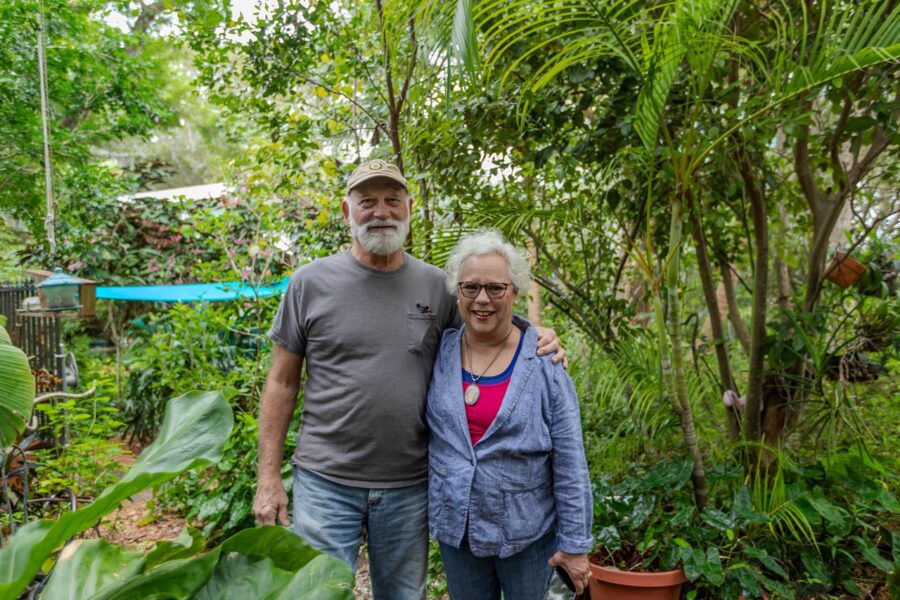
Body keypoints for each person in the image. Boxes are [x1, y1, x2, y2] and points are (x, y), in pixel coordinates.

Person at [252, 160, 564, 600]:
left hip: (409, 485)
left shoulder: (437, 286)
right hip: (324, 481)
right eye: (368, 202)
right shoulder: (309, 283)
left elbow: (489, 322)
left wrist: (539, 335)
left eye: (392, 201)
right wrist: (268, 478)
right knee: (315, 594)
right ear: (347, 212)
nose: (381, 211)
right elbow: (282, 383)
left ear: (408, 209)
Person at [426, 229, 593, 599]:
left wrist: (576, 544)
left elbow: (570, 459)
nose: (482, 299)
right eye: (470, 288)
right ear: (457, 293)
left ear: (514, 292)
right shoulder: (440, 350)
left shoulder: (544, 361)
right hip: (459, 531)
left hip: (528, 536)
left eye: (495, 288)